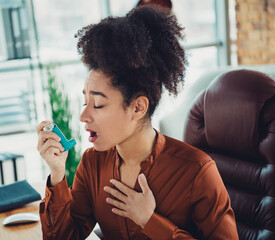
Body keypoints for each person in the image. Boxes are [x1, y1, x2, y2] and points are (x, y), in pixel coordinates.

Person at [37, 5, 239, 240]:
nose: (83, 117)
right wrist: (57, 173)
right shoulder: (92, 164)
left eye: (98, 105)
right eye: (85, 103)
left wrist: (149, 221)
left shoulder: (197, 172)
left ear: (137, 108)